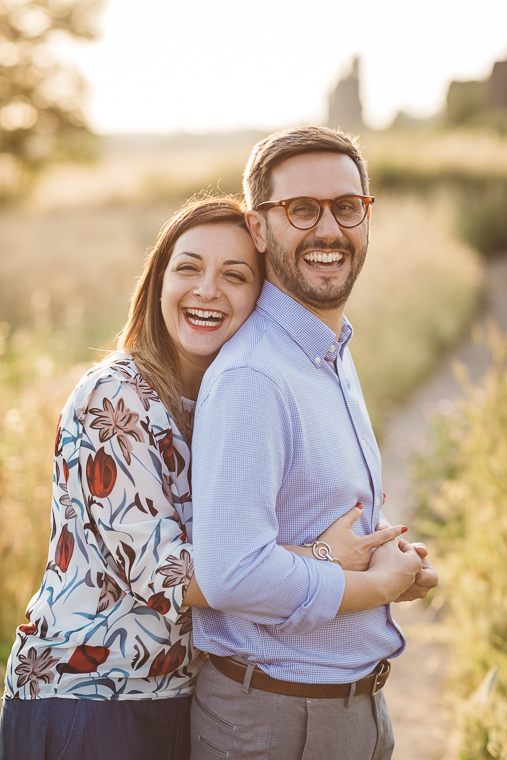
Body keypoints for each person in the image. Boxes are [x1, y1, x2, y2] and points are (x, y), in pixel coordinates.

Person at [0, 195, 409, 760]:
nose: (207, 289)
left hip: (181, 695)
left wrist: (380, 545)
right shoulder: (114, 396)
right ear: (158, 282)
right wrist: (328, 558)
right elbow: (175, 576)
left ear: (261, 296)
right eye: (188, 267)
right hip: (90, 697)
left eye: (235, 275)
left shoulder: (223, 398)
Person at [190, 127, 439, 760]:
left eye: (347, 207)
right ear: (260, 227)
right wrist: (377, 588)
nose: (329, 230)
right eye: (301, 210)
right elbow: (232, 572)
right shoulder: (255, 376)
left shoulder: (327, 348)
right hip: (276, 723)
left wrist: (388, 556)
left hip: (352, 710)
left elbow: (309, 515)